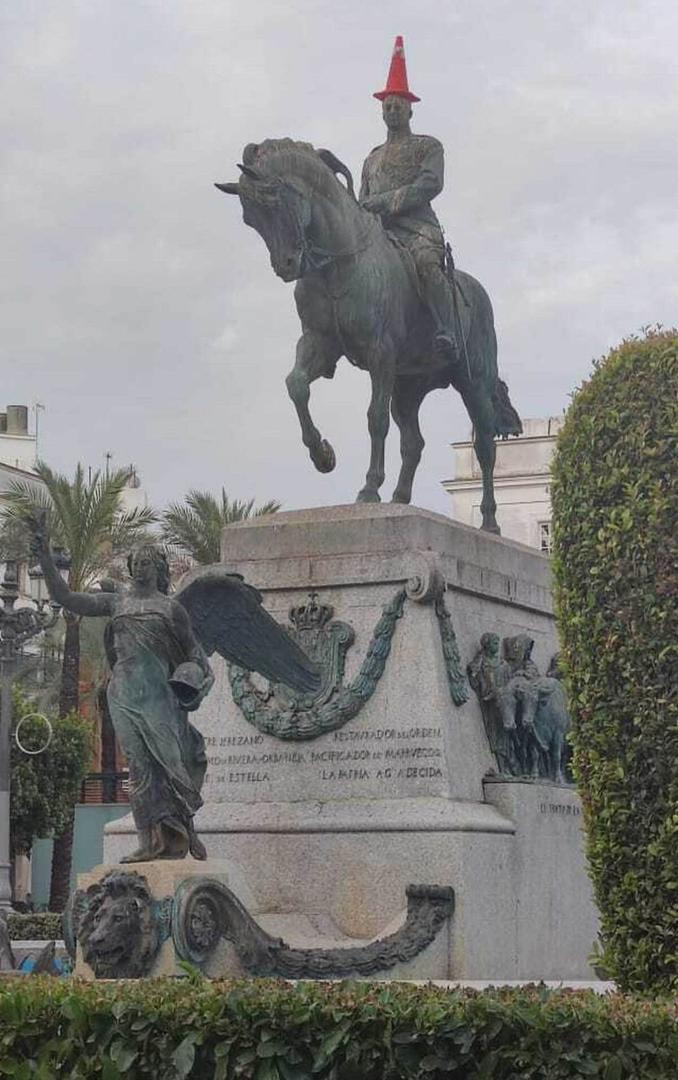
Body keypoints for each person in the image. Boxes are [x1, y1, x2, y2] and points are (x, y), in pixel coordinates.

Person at [32, 526, 214, 863]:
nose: (141, 568)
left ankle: (186, 826)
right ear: (130, 568)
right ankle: (150, 841)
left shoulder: (172, 610)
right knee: (141, 770)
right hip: (124, 695)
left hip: (159, 698)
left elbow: (193, 654)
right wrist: (45, 558)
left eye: (148, 563)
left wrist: (189, 677)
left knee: (172, 766)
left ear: (160, 569)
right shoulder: (116, 603)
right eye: (137, 563)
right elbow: (68, 599)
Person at [360, 36, 459, 362]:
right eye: (386, 106)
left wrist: (386, 202)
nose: (391, 111)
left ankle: (446, 328)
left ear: (410, 110)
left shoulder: (428, 147)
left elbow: (430, 184)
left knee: (428, 268)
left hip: (416, 229)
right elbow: (363, 201)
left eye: (397, 106)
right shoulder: (371, 159)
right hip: (381, 236)